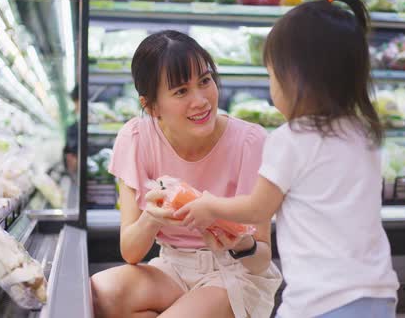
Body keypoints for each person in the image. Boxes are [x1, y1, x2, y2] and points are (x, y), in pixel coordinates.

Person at [175, 0, 400, 318]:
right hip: (378, 294)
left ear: (296, 78)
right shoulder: (364, 132)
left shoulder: (291, 138)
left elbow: (257, 208)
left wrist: (210, 206)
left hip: (321, 301)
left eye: (272, 75)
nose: (272, 86)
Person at [90, 30, 282, 318]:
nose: (201, 100)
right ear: (151, 106)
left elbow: (261, 259)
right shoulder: (135, 137)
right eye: (181, 91)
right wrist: (152, 217)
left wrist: (241, 243)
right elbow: (130, 253)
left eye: (205, 81)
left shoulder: (249, 141)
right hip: (172, 268)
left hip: (235, 273)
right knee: (98, 294)